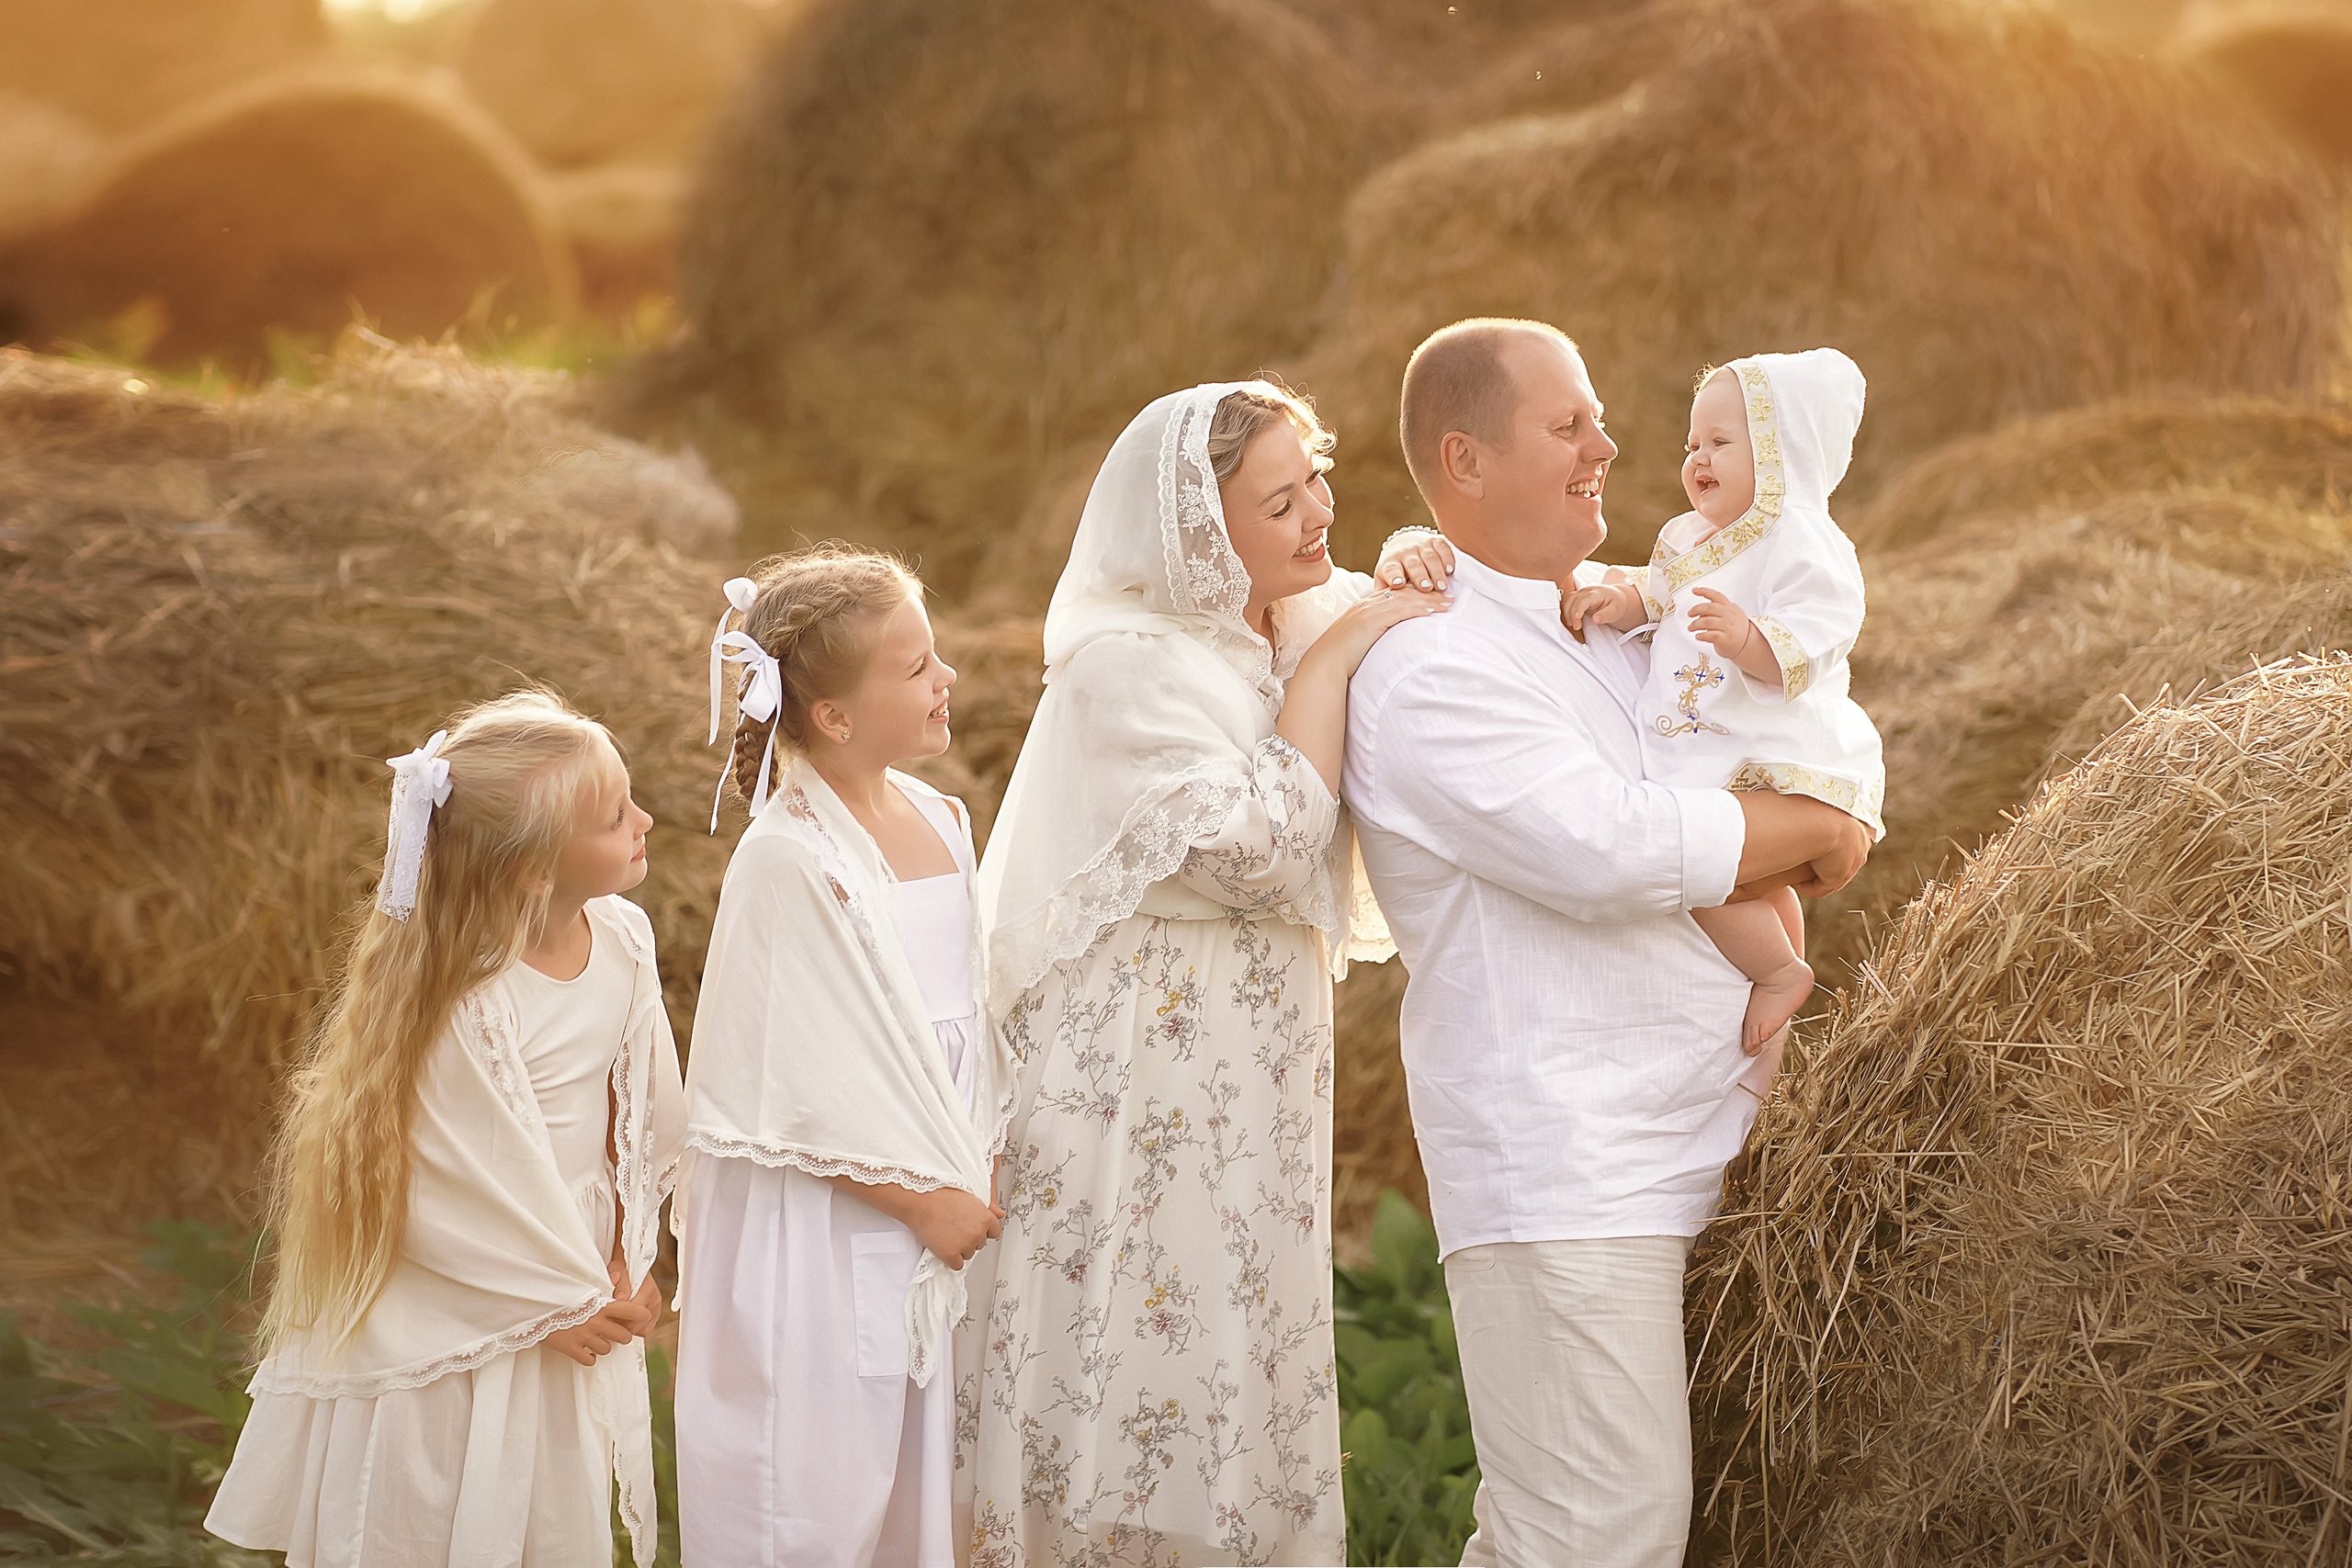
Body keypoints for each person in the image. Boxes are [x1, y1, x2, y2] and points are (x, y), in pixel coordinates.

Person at [1340, 319, 1873, 1568]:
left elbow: (1801, 734)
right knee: (1588, 1533)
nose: (1610, 445)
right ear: (1464, 462)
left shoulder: (1629, 625)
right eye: (1568, 422)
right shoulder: (1426, 667)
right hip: (1569, 1165)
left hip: (1712, 1125)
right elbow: (1606, 848)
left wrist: (1826, 818)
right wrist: (1812, 826)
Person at [956, 379, 1447, 1564]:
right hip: (1132, 1079)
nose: (1318, 512)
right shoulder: (1126, 667)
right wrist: (1335, 659)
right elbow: (1263, 849)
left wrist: (1416, 563)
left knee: (1232, 1338)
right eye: (1280, 502)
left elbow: (1402, 603)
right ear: (1194, 533)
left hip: (1243, 1071)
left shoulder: (1277, 615)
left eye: (1317, 476)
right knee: (1133, 1343)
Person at [207, 690, 685, 1568]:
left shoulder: (621, 934)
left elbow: (641, 1101)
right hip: (469, 1293)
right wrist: (551, 1299)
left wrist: (628, 1251)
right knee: (446, 1501)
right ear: (533, 868)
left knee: (543, 1508)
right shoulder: (470, 993)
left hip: (575, 1268)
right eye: (616, 814)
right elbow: (450, 1176)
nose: (646, 819)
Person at [672, 546, 1013, 1568]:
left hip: (948, 1192)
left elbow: (973, 1014)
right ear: (832, 715)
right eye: (913, 668)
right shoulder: (789, 859)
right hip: (839, 1210)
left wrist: (981, 1153)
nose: (945, 676)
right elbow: (784, 1080)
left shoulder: (943, 819)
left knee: (927, 1481)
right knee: (820, 1485)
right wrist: (920, 1199)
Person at [1561, 349, 1885, 1061]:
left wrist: (1752, 640)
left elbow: (1826, 624)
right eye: (1691, 444)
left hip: (1770, 744)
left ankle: (1777, 971)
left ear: (1780, 450)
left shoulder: (1803, 538)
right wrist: (1622, 600)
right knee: (1739, 875)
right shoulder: (1686, 534)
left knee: (1697, 868)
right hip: (1701, 740)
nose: (1698, 458)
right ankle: (1783, 969)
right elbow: (1660, 588)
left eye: (1720, 442)